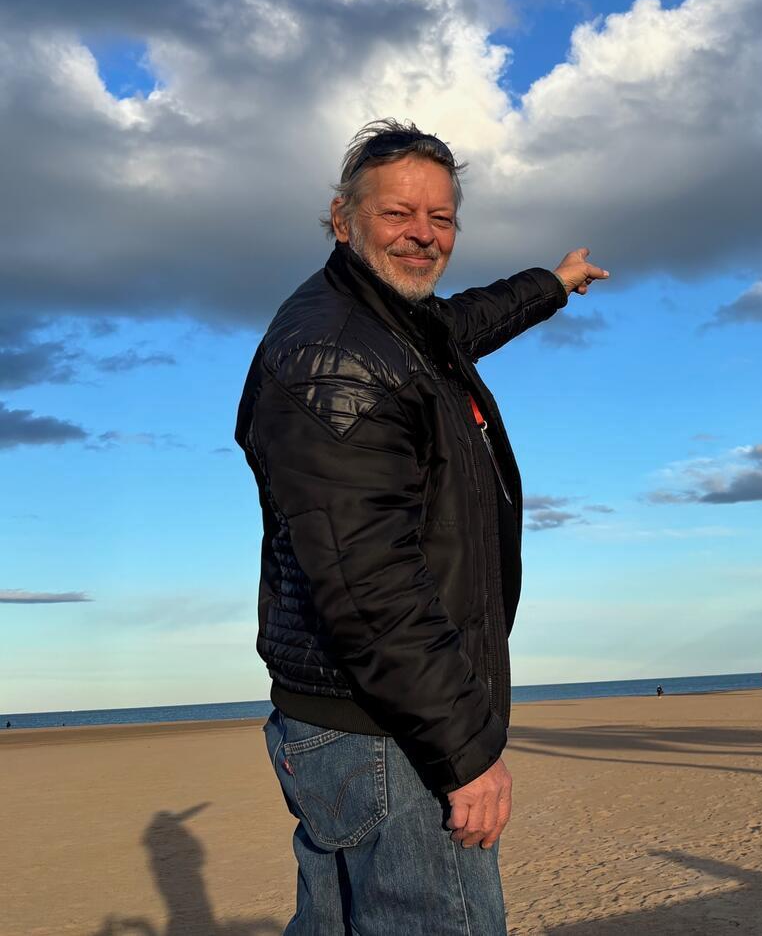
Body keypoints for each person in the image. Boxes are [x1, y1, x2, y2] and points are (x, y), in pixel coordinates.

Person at [236, 119, 607, 935]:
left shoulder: (392, 322)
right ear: (343, 218)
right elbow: (370, 585)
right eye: (398, 214)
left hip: (350, 718)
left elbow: (470, 317)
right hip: (388, 733)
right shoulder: (337, 358)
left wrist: (556, 281)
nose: (423, 236)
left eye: (441, 220)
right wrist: (464, 754)